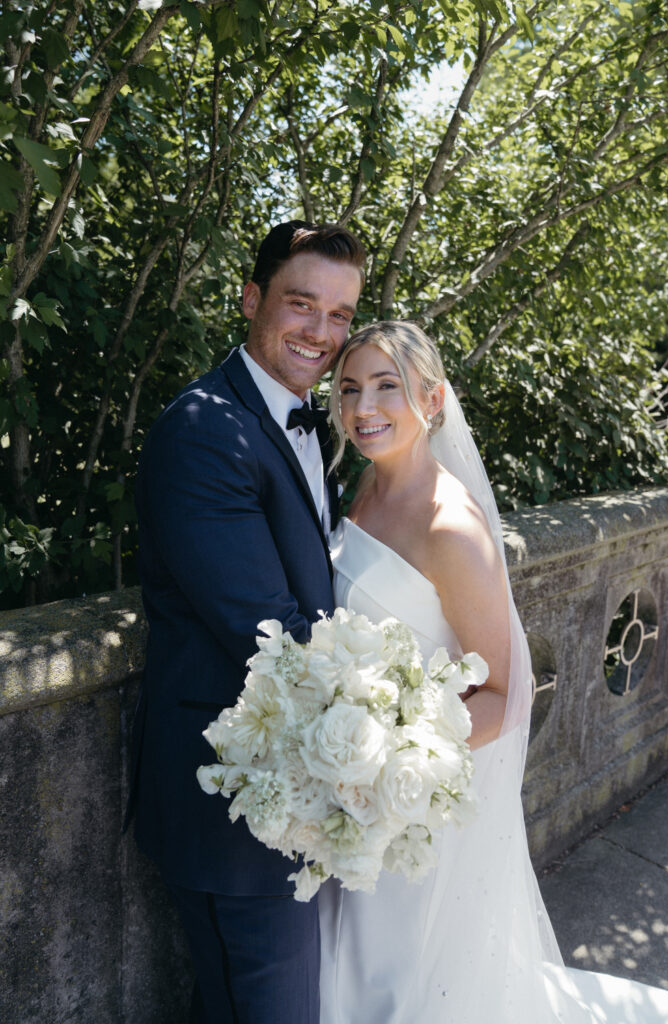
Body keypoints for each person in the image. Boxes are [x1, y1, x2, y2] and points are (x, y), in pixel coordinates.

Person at [318, 320, 668, 1023]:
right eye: (349, 388)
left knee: (404, 972)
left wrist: (392, 768)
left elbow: (507, 692)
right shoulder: (364, 488)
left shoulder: (449, 527)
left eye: (386, 386)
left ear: (432, 399)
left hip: (411, 790)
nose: (363, 407)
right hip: (353, 779)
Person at [127, 220, 365, 1024]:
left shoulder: (298, 417)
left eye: (340, 316)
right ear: (251, 299)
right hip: (231, 811)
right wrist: (392, 721)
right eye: (303, 305)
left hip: (289, 796)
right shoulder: (205, 429)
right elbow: (270, 632)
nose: (321, 333)